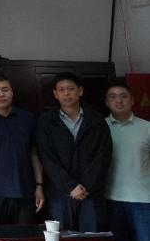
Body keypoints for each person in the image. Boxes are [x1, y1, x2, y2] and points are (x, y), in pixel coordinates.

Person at [36, 72, 112, 232]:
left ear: (80, 91)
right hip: (60, 194)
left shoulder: (97, 120)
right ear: (55, 94)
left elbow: (103, 156)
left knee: (92, 239)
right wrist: (70, 186)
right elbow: (47, 159)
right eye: (61, 90)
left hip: (90, 193)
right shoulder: (46, 122)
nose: (66, 93)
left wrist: (85, 186)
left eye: (70, 89)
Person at [0, 71, 44, 224]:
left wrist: (39, 186)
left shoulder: (28, 119)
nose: (1, 94)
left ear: (12, 92)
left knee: (25, 236)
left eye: (5, 90)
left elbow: (34, 154)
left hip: (25, 191)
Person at [104, 78, 150, 241]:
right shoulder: (99, 127)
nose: (118, 100)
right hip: (110, 198)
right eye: (113, 96)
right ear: (106, 102)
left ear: (132, 100)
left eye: (123, 96)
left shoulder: (147, 127)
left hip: (143, 200)